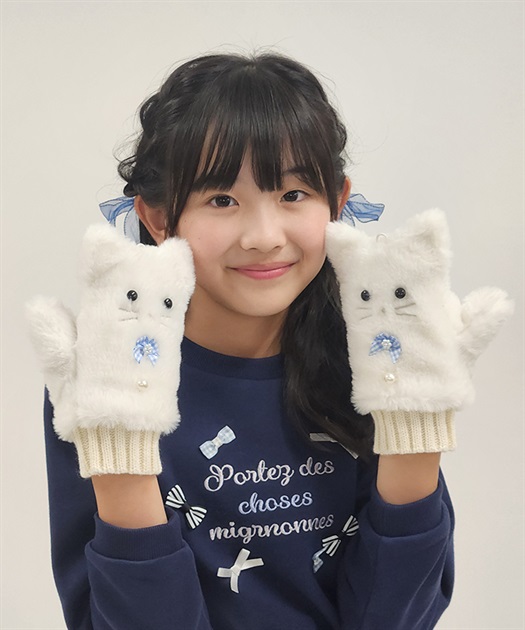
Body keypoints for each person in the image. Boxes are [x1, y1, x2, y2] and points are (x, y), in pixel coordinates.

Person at [40, 52, 454, 629]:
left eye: (293, 195)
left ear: (337, 203)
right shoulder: (104, 378)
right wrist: (122, 459)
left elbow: (394, 618)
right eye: (222, 200)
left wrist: (415, 430)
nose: (264, 237)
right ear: (157, 218)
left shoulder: (377, 359)